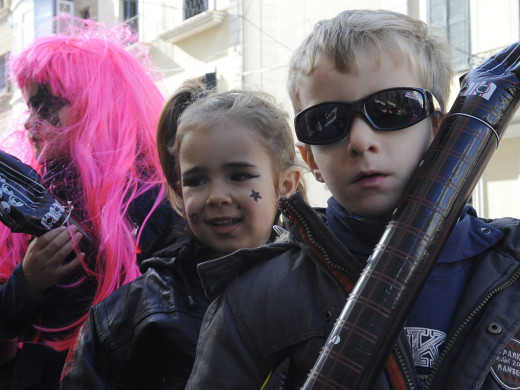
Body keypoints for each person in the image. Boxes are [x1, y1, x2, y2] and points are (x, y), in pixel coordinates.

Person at [186, 9, 520, 390]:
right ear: (310, 157)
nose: (360, 141)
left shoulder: (512, 270)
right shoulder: (254, 301)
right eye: (326, 121)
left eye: (392, 108)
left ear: (438, 130)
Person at [59, 82, 303, 389]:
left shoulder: (319, 284)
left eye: (239, 175)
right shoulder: (131, 315)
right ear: (178, 188)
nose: (216, 196)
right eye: (197, 180)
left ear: (285, 184)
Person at [0, 18, 178, 389]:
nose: (30, 124)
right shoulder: (24, 201)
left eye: (47, 106)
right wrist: (28, 283)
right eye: (30, 107)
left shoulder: (151, 203)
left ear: (98, 107)